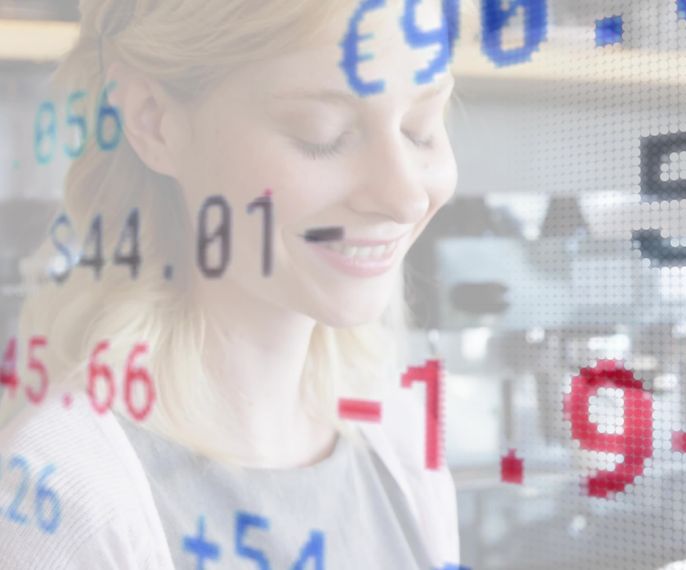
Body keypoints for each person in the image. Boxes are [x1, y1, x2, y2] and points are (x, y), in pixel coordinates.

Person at [0, 0, 463, 567]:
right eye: (323, 133)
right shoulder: (68, 494)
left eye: (421, 129)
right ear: (152, 119)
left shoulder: (401, 440)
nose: (405, 196)